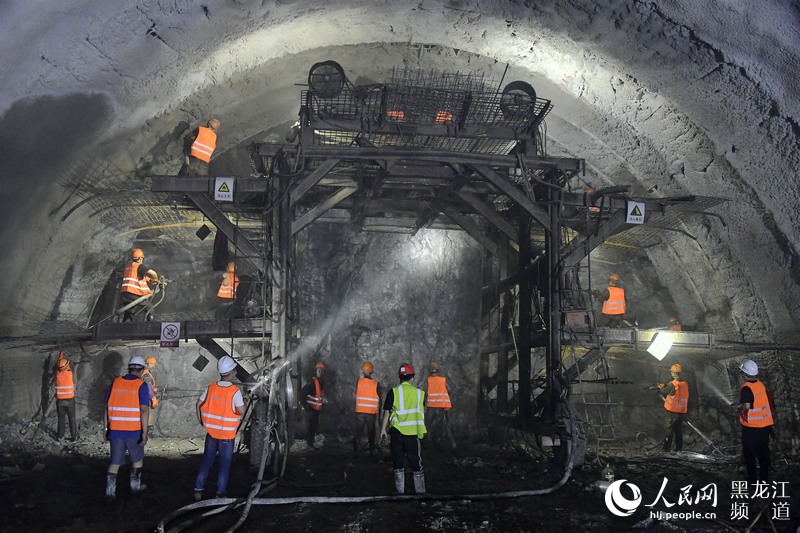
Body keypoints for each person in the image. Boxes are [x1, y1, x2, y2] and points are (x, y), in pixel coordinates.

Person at [193, 355, 245, 501]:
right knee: (224, 466)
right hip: (227, 437)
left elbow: (198, 404)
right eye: (234, 370)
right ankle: (220, 494)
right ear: (231, 372)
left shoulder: (210, 388)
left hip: (212, 434)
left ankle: (198, 491)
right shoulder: (235, 392)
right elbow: (241, 411)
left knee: (206, 462)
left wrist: (202, 422)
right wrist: (245, 400)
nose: (236, 372)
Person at [104, 355, 150, 502]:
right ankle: (135, 488)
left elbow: (106, 408)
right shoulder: (141, 386)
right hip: (133, 431)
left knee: (115, 462)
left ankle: (110, 493)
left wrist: (105, 429)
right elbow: (143, 410)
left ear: (129, 368)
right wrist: (145, 432)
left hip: (115, 430)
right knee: (137, 459)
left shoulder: (115, 383)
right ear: (142, 370)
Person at [380, 363, 427, 494]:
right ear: (412, 377)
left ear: (399, 377)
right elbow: (423, 410)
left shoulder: (393, 392)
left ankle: (400, 492)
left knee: (397, 461)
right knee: (415, 461)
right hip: (412, 432)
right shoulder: (419, 394)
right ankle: (421, 491)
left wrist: (383, 430)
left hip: (396, 432)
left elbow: (387, 413)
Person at [738, 359, 774, 486]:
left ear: (744, 373)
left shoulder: (747, 388)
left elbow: (747, 406)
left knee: (749, 454)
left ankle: (752, 481)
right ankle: (764, 479)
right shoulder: (760, 384)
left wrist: (738, 408)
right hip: (764, 426)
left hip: (751, 428)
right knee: (763, 452)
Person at [120, 248, 159, 322]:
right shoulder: (139, 266)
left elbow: (138, 277)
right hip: (135, 294)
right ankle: (151, 326)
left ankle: (124, 326)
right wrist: (155, 279)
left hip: (125, 295)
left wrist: (150, 280)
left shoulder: (129, 267)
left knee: (129, 311)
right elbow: (153, 273)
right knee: (149, 308)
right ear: (141, 258)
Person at [425, 362, 456, 450]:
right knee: (439, 426)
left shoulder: (428, 380)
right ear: (438, 371)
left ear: (430, 371)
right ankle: (438, 445)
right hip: (440, 407)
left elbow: (426, 392)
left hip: (431, 406)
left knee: (427, 426)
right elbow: (449, 390)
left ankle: (426, 444)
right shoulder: (443, 380)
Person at [658, 363, 688, 452]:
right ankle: (679, 449)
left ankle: (666, 449)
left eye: (672, 372)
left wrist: (661, 387)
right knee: (678, 431)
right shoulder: (685, 384)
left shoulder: (673, 384)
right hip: (681, 412)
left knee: (669, 430)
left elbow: (664, 391)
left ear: (674, 373)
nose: (671, 373)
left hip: (672, 412)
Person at [353, 361, 381, 457]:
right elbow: (380, 399)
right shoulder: (376, 384)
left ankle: (355, 450)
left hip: (360, 411)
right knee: (371, 432)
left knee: (358, 432)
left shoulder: (359, 382)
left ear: (363, 372)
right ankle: (372, 451)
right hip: (370, 413)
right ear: (371, 371)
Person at [53, 352, 78, 441]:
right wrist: (63, 357)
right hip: (70, 400)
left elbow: (58, 366)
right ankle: (73, 437)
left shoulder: (57, 375)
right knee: (72, 419)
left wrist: (60, 357)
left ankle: (60, 436)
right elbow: (69, 366)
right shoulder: (70, 374)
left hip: (60, 402)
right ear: (67, 366)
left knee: (61, 419)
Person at [301, 361, 327, 447]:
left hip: (315, 409)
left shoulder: (320, 382)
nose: (320, 372)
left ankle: (310, 442)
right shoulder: (312, 382)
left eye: (321, 370)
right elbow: (303, 393)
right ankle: (309, 443)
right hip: (311, 408)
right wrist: (304, 405)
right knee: (312, 426)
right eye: (319, 370)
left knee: (314, 426)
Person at [141, 356, 159, 438]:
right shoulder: (146, 375)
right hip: (146, 398)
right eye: (153, 365)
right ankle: (148, 435)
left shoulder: (144, 372)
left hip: (143, 396)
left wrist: (153, 388)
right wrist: (154, 399)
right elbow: (148, 387)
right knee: (149, 416)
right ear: (149, 364)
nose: (154, 366)